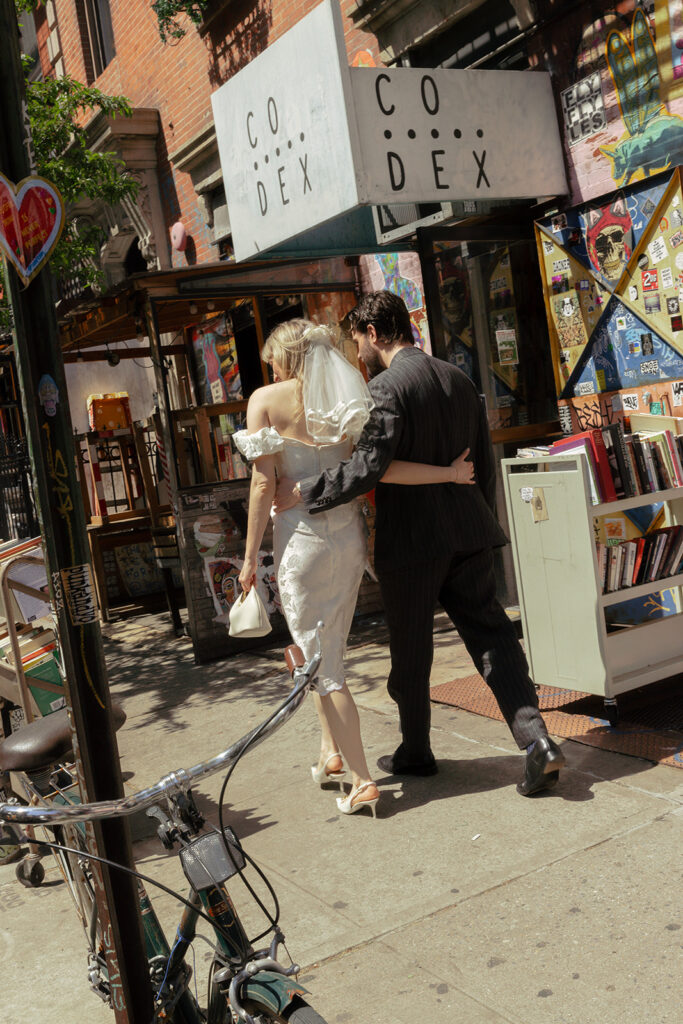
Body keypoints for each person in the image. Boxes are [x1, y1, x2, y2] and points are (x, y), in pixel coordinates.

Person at [275, 292, 566, 797]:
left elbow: (370, 466)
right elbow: (483, 463)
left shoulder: (386, 388)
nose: (357, 353)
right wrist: (484, 518)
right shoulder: (458, 377)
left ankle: (416, 750)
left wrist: (310, 491)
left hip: (412, 543)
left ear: (373, 333)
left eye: (358, 340)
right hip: (468, 530)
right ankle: (537, 741)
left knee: (411, 652)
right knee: (493, 637)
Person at [234, 319, 474, 818]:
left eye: (273, 359)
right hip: (347, 540)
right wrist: (449, 473)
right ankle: (333, 753)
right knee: (325, 653)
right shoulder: (344, 398)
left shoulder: (265, 400)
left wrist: (248, 556)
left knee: (324, 666)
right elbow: (374, 468)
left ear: (284, 356)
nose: (272, 368)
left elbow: (262, 486)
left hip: (300, 542)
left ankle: (364, 781)